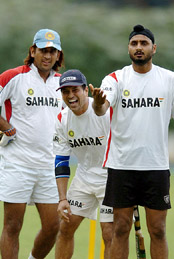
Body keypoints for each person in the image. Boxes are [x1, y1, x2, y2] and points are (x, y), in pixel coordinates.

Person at [89, 24, 174, 259]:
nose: (138, 48)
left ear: (154, 48)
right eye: (134, 44)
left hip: (156, 167)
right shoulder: (115, 79)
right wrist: (97, 103)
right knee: (120, 229)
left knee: (158, 230)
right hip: (122, 167)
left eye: (143, 43)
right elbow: (101, 108)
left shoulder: (170, 80)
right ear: (128, 48)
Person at [0, 28, 64, 259]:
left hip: (50, 166)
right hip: (17, 163)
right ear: (32, 51)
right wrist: (5, 126)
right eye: (43, 51)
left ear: (58, 55)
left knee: (53, 227)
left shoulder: (62, 83)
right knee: (13, 226)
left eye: (52, 52)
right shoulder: (13, 77)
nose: (47, 56)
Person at [53, 69, 113, 259]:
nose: (70, 96)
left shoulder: (104, 112)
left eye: (75, 90)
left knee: (109, 234)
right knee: (65, 228)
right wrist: (62, 198)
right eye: (65, 91)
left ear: (86, 90)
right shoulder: (62, 119)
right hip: (84, 178)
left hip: (110, 178)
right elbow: (61, 161)